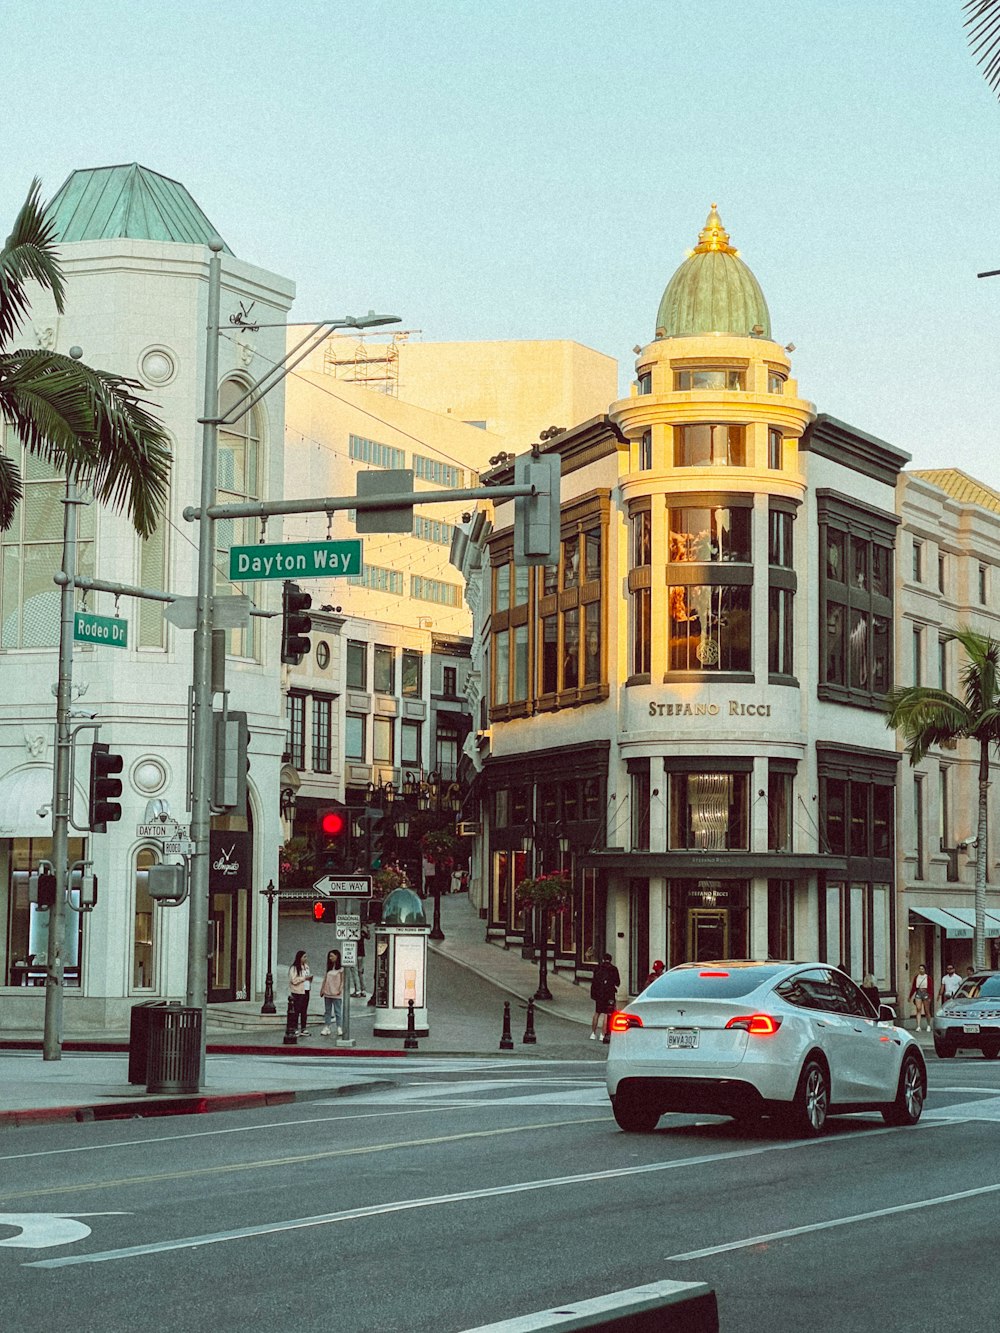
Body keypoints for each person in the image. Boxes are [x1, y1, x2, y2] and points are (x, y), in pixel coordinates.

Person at [590, 953, 620, 1043]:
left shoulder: (597, 968)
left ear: (603, 959)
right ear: (610, 960)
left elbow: (594, 981)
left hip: (599, 994)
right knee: (607, 1014)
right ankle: (603, 1034)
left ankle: (593, 1033)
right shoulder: (614, 969)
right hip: (609, 994)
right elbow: (618, 982)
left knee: (597, 1013)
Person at [320, 949, 345, 1037]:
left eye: (332, 956)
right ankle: (327, 1026)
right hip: (327, 992)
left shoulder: (341, 969)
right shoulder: (329, 968)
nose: (330, 958)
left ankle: (339, 1027)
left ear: (337, 956)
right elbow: (325, 979)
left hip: (336, 993)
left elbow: (343, 981)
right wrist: (322, 989)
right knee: (327, 1011)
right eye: (329, 956)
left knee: (338, 1011)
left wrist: (340, 990)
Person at [288, 949, 312, 1037]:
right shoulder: (294, 968)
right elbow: (293, 980)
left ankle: (303, 1028)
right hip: (298, 992)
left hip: (306, 990)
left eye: (306, 957)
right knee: (296, 1010)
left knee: (304, 1010)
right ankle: (295, 1028)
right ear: (299, 958)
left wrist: (309, 979)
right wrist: (304, 978)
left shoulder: (306, 967)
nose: (306, 958)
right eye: (304, 957)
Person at [909, 963, 932, 1032]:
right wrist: (910, 996)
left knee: (926, 1010)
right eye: (920, 969)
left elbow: (930, 988)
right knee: (918, 1009)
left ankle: (928, 1025)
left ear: (925, 970)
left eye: (922, 969)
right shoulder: (916, 977)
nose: (921, 970)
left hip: (925, 993)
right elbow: (913, 987)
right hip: (918, 992)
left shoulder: (928, 978)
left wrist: (930, 996)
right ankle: (918, 1026)